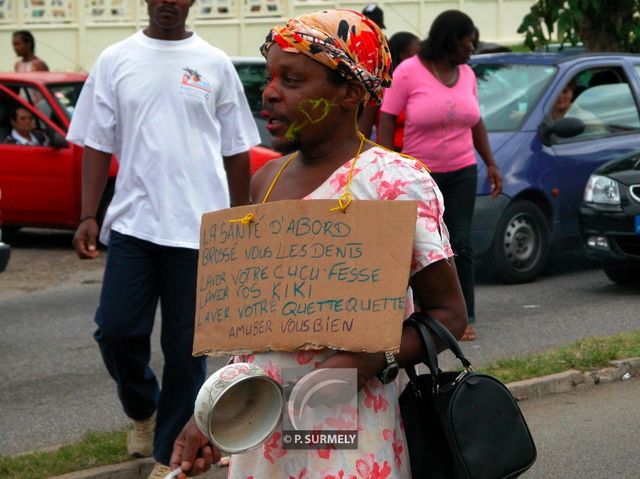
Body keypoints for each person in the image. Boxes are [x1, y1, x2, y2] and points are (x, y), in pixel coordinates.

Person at [168, 9, 467, 478]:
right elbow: (248, 327)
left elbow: (449, 314)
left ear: (351, 92)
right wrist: (211, 414)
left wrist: (367, 362)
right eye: (270, 78)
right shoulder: (265, 182)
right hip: (260, 424)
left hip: (346, 429)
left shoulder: (393, 182)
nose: (269, 92)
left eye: (291, 80)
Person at [66, 0, 260, 477]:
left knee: (186, 350)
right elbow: (96, 142)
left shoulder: (214, 62)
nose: (168, 3)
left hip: (199, 231)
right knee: (116, 330)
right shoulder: (116, 59)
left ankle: (166, 456)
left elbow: (237, 149)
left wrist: (240, 221)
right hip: (134, 225)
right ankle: (142, 409)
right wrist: (88, 214)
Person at [378, 10, 502, 342]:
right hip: (420, 175)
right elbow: (387, 118)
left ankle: (464, 317)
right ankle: (414, 314)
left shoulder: (468, 75)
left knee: (460, 241)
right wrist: (386, 164)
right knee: (418, 246)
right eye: (468, 40)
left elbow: (476, 121)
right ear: (450, 38)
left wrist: (490, 163)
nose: (472, 48)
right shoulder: (408, 72)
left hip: (462, 170)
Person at [359, 31, 420, 146]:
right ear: (404, 55)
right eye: (418, 55)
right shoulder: (379, 88)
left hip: (421, 155)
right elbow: (364, 131)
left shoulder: (421, 86)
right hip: (392, 155)